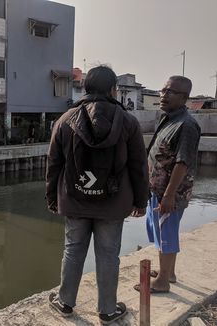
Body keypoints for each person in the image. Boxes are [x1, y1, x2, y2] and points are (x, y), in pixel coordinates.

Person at [46, 65, 149, 324]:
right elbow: (138, 165)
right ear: (113, 89)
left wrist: (51, 198)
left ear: (86, 88)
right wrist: (141, 200)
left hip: (74, 199)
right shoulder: (128, 121)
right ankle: (107, 310)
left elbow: (53, 164)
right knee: (108, 254)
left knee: (73, 250)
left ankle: (65, 303)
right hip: (113, 204)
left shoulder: (64, 120)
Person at [134, 76, 201, 293]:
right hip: (158, 189)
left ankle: (163, 281)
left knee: (167, 234)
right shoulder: (169, 118)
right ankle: (168, 272)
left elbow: (183, 162)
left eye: (170, 92)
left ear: (185, 97)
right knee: (161, 232)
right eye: (163, 90)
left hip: (170, 193)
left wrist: (169, 196)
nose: (164, 95)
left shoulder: (187, 125)